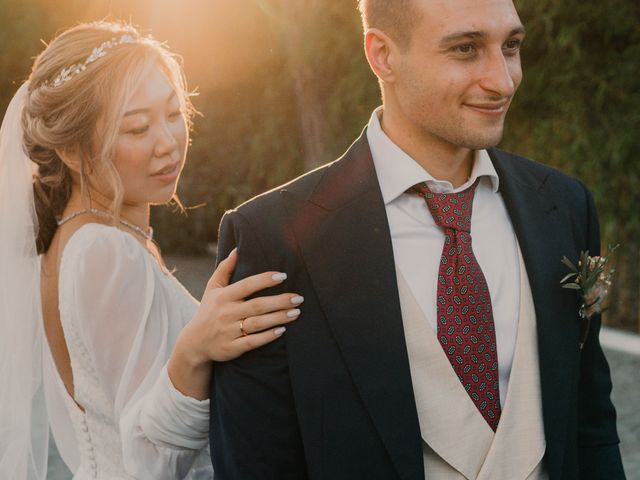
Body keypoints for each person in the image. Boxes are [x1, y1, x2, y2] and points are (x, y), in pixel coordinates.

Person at [210, 0, 625, 478]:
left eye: (510, 46)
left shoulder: (566, 206)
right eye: (467, 49)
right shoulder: (274, 234)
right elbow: (257, 463)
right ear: (382, 55)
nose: (504, 80)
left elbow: (591, 428)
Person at [0, 21, 305, 479]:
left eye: (172, 113)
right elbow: (148, 460)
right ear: (69, 148)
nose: (168, 142)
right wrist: (194, 351)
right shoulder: (104, 252)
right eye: (138, 127)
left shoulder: (74, 238)